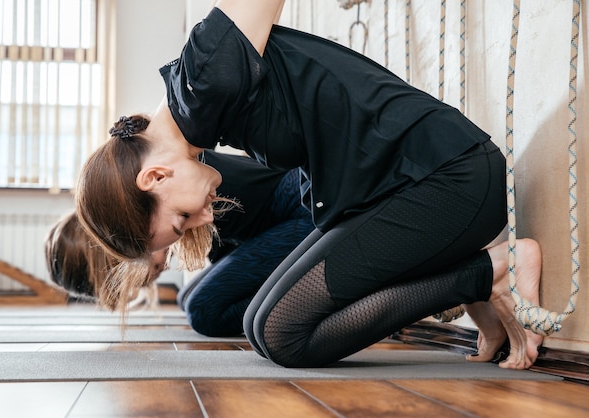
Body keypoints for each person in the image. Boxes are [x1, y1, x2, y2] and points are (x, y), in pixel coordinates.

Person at [75, 0, 544, 370]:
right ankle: (476, 275)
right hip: (404, 190)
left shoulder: (205, 78)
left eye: (181, 219)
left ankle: (491, 273)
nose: (203, 219)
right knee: (261, 328)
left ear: (155, 176)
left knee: (282, 334)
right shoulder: (201, 107)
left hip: (448, 177)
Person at [47, 150, 315, 336]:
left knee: (203, 310)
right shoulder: (173, 215)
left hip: (304, 206)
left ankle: (322, 292)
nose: (148, 282)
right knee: (187, 298)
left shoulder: (172, 194)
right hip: (284, 218)